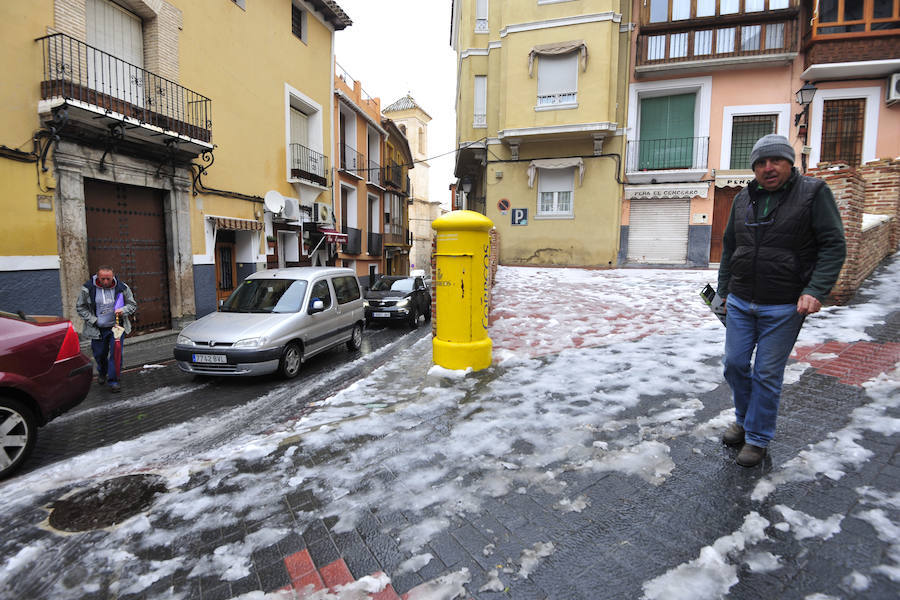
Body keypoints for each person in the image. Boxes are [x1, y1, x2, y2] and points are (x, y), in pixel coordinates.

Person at [717, 134, 846, 467]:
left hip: (785, 305)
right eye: (760, 163)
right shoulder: (743, 198)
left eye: (775, 161)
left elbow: (833, 245)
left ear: (790, 163)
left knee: (766, 373)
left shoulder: (814, 193)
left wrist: (816, 289)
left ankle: (757, 439)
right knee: (733, 364)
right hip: (742, 301)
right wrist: (723, 292)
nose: (768, 168)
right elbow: (731, 247)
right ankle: (744, 420)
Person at [75, 266, 138, 393]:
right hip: (97, 329)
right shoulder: (88, 288)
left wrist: (123, 310)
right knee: (100, 355)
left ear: (113, 276)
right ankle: (102, 372)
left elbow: (132, 304)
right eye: (102, 279)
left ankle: (113, 380)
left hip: (116, 328)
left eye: (108, 279)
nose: (105, 282)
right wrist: (94, 320)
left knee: (116, 354)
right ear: (98, 277)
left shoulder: (122, 287)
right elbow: (80, 307)